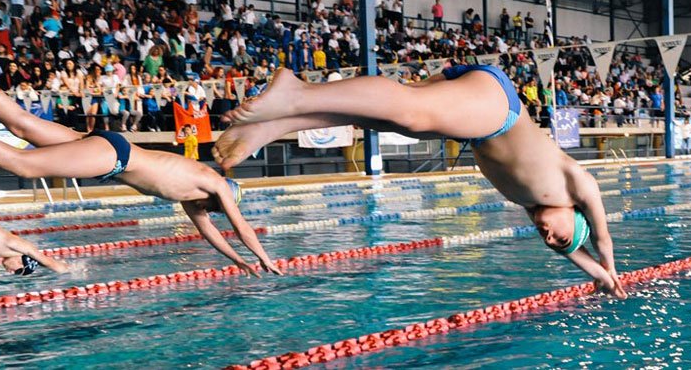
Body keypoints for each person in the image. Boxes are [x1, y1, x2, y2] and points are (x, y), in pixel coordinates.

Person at [214, 65, 627, 298]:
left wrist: (596, 276)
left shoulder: (531, 201)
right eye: (562, 237)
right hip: (498, 107)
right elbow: (601, 237)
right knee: (410, 112)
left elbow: (574, 249)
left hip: (477, 122)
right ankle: (297, 93)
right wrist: (611, 269)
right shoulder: (576, 184)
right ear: (578, 220)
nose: (549, 238)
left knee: (381, 117)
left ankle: (273, 125)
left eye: (551, 244)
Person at [0, 80, 281, 277]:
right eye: (216, 209)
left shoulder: (193, 197)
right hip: (114, 158)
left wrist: (238, 261)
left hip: (112, 146)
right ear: (219, 198)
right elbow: (240, 226)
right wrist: (265, 257)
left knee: (23, 126)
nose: (211, 213)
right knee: (25, 165)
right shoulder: (210, 181)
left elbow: (212, 234)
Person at [0, 211, 70, 275]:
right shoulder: (18, 246)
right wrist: (67, 269)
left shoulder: (1, 252)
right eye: (17, 271)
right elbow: (46, 260)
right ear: (21, 262)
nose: (11, 272)